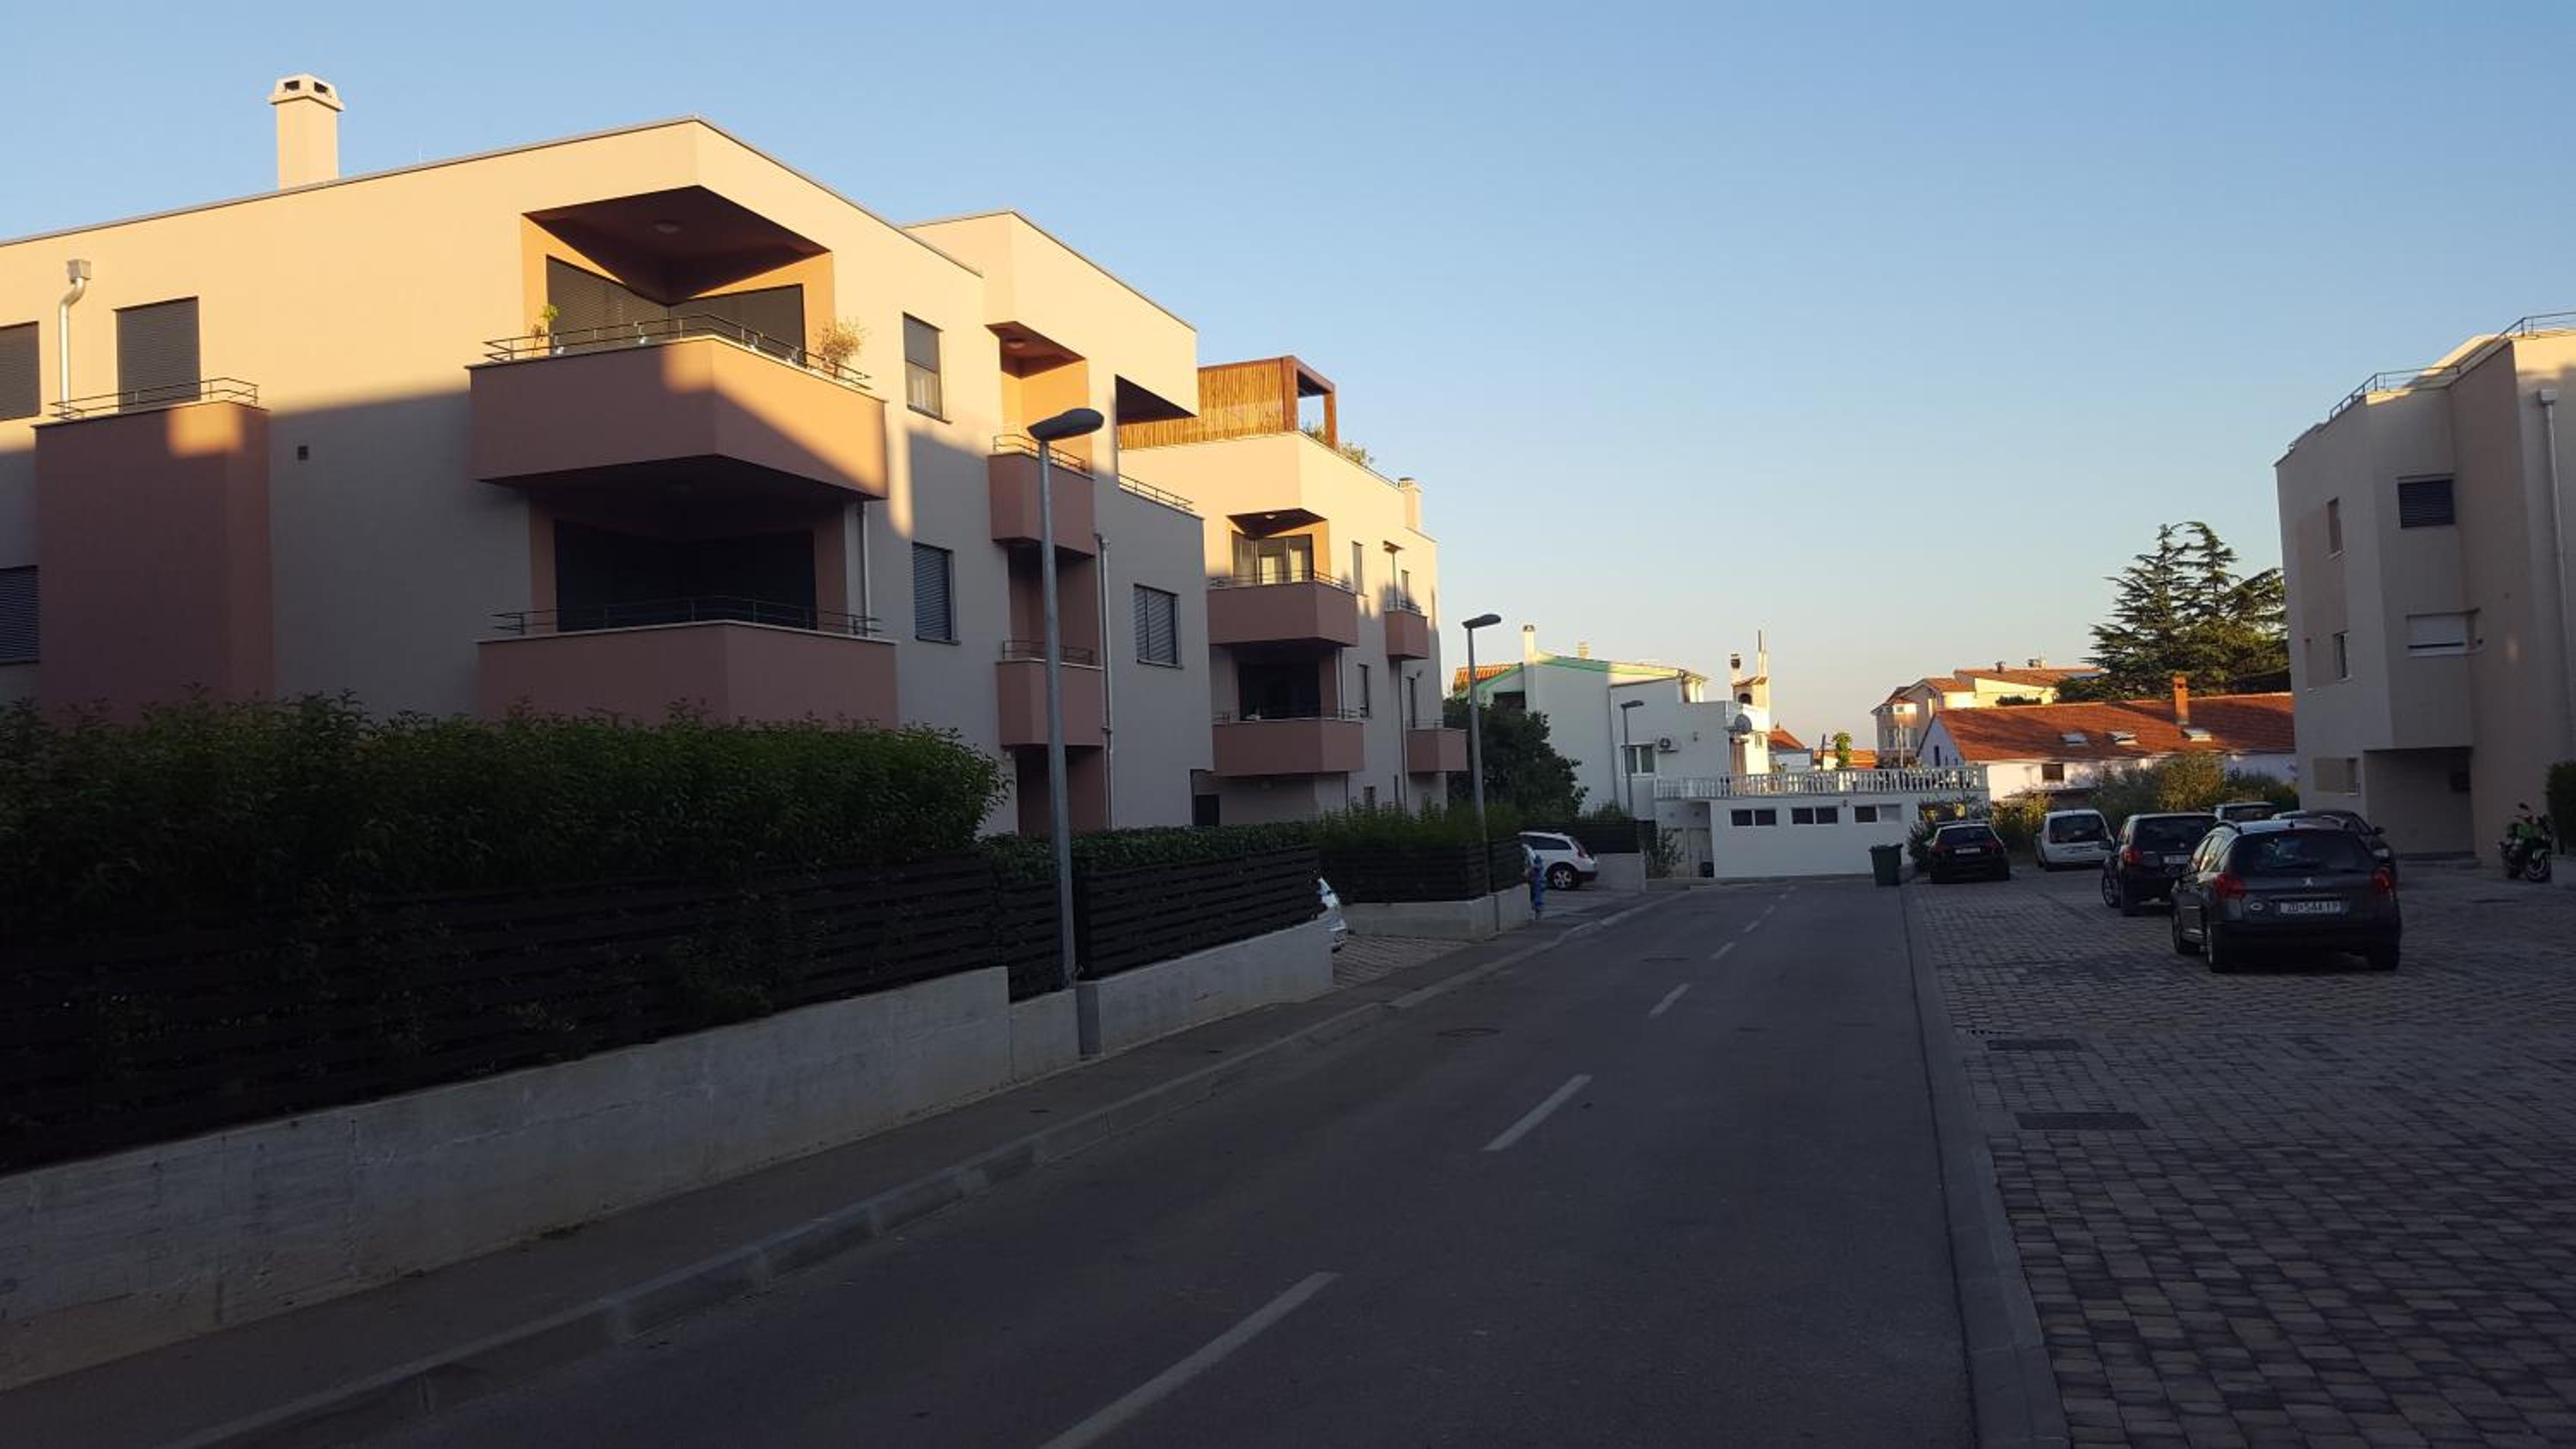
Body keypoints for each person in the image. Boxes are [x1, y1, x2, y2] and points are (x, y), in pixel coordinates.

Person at [1526, 841, 1546, 920]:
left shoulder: (1536, 866)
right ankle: (1537, 914)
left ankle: (1537, 914)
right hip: (1537, 882)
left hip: (1536, 882)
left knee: (1536, 897)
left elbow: (1536, 867)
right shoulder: (1533, 855)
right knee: (1536, 897)